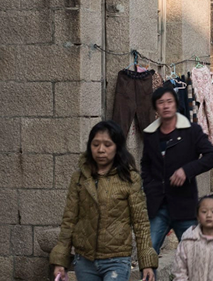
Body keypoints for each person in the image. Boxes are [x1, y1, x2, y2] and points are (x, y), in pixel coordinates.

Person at [50, 120, 158, 281]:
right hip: (85, 260)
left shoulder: (130, 179)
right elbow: (69, 221)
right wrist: (60, 260)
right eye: (96, 144)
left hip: (117, 260)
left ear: (117, 147)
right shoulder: (80, 178)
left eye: (107, 145)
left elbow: (140, 223)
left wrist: (146, 262)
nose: (101, 150)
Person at [142, 84, 213, 253]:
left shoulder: (191, 131)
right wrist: (149, 187)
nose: (166, 105)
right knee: (147, 254)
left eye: (169, 101)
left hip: (183, 205)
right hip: (157, 206)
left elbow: (212, 156)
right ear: (156, 107)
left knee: (193, 256)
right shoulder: (150, 135)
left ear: (176, 104)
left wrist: (187, 170)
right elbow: (145, 165)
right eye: (161, 102)